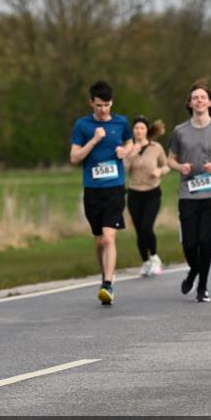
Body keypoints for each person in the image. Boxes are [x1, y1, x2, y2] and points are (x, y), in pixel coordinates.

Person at [70, 80, 134, 305]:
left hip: (115, 187)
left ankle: (108, 283)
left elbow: (131, 143)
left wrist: (124, 151)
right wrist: (94, 140)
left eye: (107, 105)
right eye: (99, 105)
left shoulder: (121, 122)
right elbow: (74, 157)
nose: (103, 109)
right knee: (99, 241)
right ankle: (104, 276)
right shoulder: (82, 126)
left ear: (111, 103)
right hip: (92, 189)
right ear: (91, 103)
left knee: (108, 238)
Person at [168, 81, 211, 303]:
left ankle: (202, 286)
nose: (199, 101)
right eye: (195, 98)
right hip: (187, 193)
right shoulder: (180, 131)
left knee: (205, 241)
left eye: (203, 97)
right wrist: (179, 167)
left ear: (210, 103)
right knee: (190, 243)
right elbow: (170, 159)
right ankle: (194, 270)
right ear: (190, 103)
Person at [124, 117, 170, 277]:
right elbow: (123, 169)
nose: (139, 131)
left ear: (146, 130)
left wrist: (159, 171)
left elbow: (166, 165)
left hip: (152, 192)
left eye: (142, 128)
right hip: (134, 193)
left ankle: (155, 258)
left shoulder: (156, 147)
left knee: (146, 227)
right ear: (133, 131)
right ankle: (145, 261)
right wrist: (131, 154)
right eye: (136, 128)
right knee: (139, 231)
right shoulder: (128, 149)